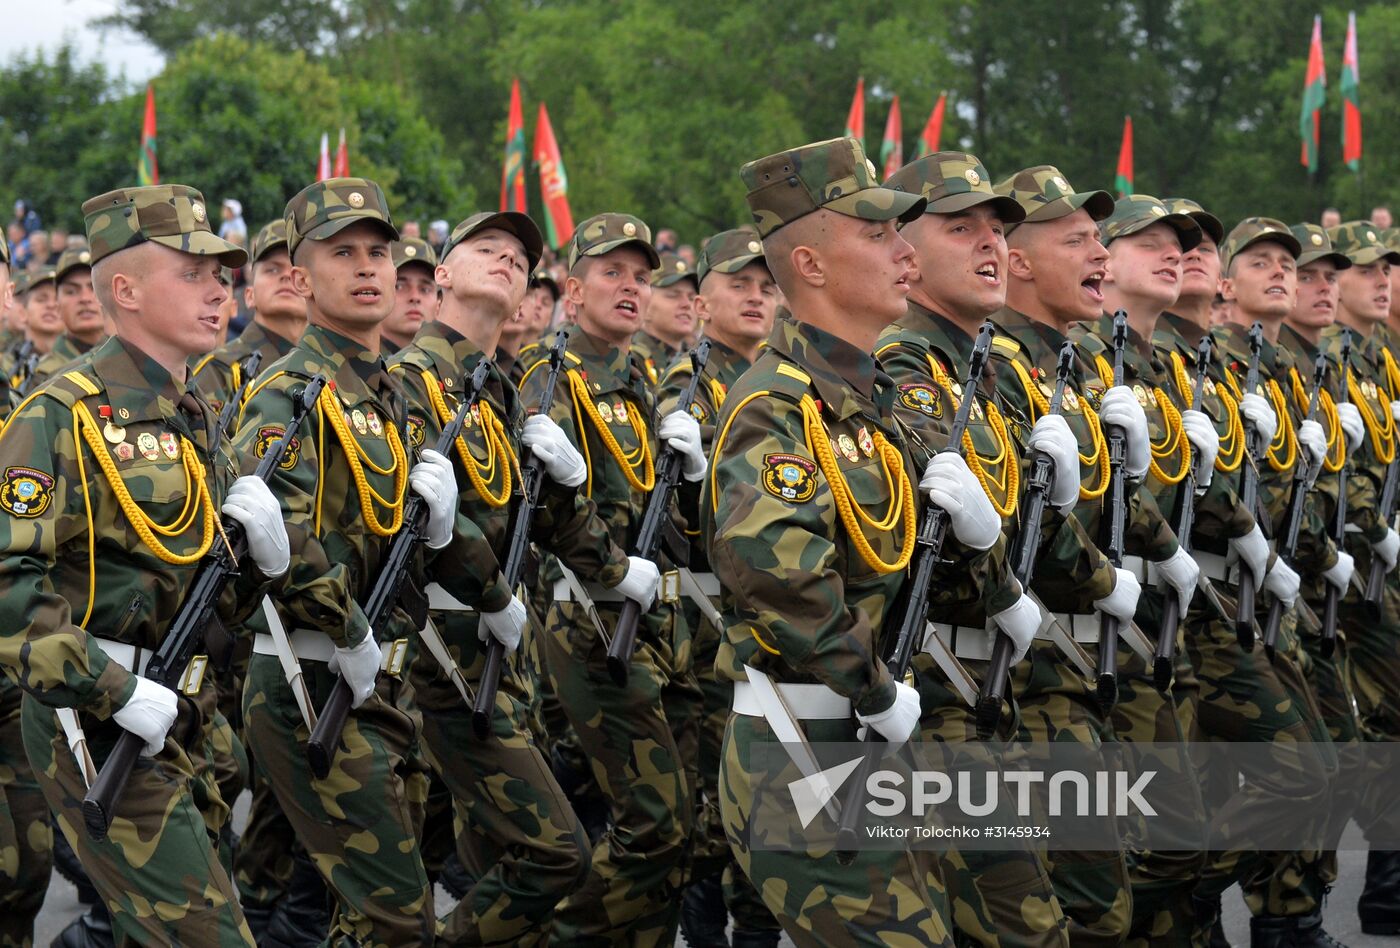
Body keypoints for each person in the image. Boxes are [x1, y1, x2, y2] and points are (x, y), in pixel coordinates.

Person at [0, 183, 282, 946]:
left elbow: (214, 592)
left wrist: (262, 560)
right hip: (95, 723)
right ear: (124, 289)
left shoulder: (190, 415)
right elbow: (11, 588)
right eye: (192, 272)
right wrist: (114, 689)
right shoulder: (57, 415)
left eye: (222, 274)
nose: (219, 289)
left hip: (191, 719)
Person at [709, 135, 974, 946]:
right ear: (813, 267)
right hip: (804, 751)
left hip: (875, 741)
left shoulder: (873, 398)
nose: (905, 253)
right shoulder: (775, 408)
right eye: (877, 234)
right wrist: (875, 687)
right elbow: (780, 577)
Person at [234, 177, 445, 946]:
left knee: (370, 914)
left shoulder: (383, 392)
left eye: (379, 253)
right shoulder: (287, 393)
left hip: (377, 676)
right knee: (394, 917)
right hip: (311, 674)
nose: (367, 268)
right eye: (343, 252)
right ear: (299, 277)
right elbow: (276, 539)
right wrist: (351, 629)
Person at [389, 208, 605, 943]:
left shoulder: (499, 392)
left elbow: (529, 525)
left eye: (521, 257)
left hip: (499, 653)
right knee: (553, 852)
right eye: (489, 249)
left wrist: (566, 485)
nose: (510, 260)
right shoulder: (407, 381)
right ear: (440, 274)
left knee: (491, 860)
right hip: (439, 654)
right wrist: (488, 586)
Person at [878, 151, 1074, 948]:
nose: (990, 245)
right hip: (933, 692)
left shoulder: (980, 369)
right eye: (962, 229)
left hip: (985, 685)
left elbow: (1028, 520)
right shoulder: (905, 364)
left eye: (997, 228)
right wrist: (1002, 579)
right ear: (904, 250)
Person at [519, 210, 705, 944]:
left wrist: (691, 480)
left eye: (640, 276)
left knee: (674, 826)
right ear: (573, 289)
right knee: (654, 822)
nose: (629, 288)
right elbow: (545, 510)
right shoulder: (549, 375)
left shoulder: (648, 378)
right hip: (589, 616)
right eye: (611, 273)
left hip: (656, 614)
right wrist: (612, 563)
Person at [1206, 218, 1348, 947]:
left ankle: (1292, 914)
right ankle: (1250, 904)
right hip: (1220, 599)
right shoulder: (1221, 365)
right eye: (1260, 261)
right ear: (1226, 284)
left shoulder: (1284, 369)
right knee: (1295, 767)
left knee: (1330, 755)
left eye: (1288, 264)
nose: (1286, 275)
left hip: (1281, 592)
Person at [657, 228, 784, 948]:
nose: (757, 297)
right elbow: (669, 516)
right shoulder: (687, 390)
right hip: (709, 626)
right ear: (702, 302)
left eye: (767, 286)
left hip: (770, 621)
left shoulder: (778, 382)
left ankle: (757, 929)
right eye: (741, 284)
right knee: (717, 803)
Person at [192, 219, 307, 419]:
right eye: (273, 269)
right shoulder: (222, 370)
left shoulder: (328, 367)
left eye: (297, 272)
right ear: (249, 295)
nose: (287, 276)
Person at [24, 245, 107, 394]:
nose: (85, 299)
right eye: (71, 291)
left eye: (93, 287)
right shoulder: (43, 376)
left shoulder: (135, 357)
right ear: (57, 304)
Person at [633, 251, 698, 385]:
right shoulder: (633, 361)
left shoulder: (699, 360)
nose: (687, 304)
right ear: (646, 303)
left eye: (691, 298)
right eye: (673, 295)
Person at [380, 236, 439, 354]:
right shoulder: (354, 364)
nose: (415, 297)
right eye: (399, 286)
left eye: (425, 289)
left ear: (439, 303)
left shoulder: (446, 366)